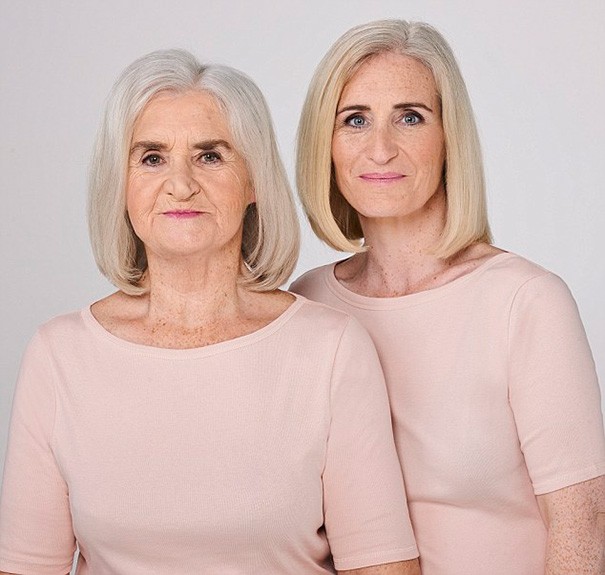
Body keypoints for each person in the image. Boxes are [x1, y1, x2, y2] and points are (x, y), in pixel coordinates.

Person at [0, 49, 421, 574]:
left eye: (210, 155)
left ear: (254, 180)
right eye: (151, 158)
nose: (180, 184)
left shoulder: (330, 348)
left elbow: (381, 566)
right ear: (120, 185)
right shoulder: (59, 355)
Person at [291, 19, 605, 575]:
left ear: (449, 138)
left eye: (410, 117)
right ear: (326, 144)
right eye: (355, 119)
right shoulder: (309, 302)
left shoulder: (526, 302)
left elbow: (584, 523)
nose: (380, 149)